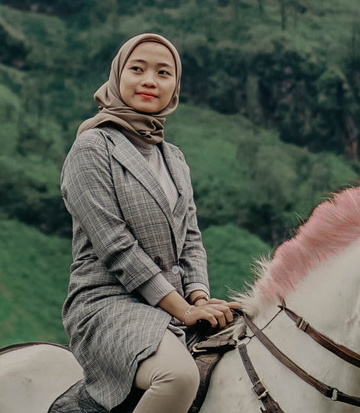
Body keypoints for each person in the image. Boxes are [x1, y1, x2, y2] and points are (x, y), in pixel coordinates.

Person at [60, 33, 237, 413]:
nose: (149, 80)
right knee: (178, 376)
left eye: (163, 72)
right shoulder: (92, 147)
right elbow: (116, 247)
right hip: (107, 303)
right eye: (137, 69)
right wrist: (184, 311)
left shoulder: (173, 157)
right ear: (117, 76)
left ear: (175, 86)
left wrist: (200, 298)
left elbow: (190, 239)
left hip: (168, 305)